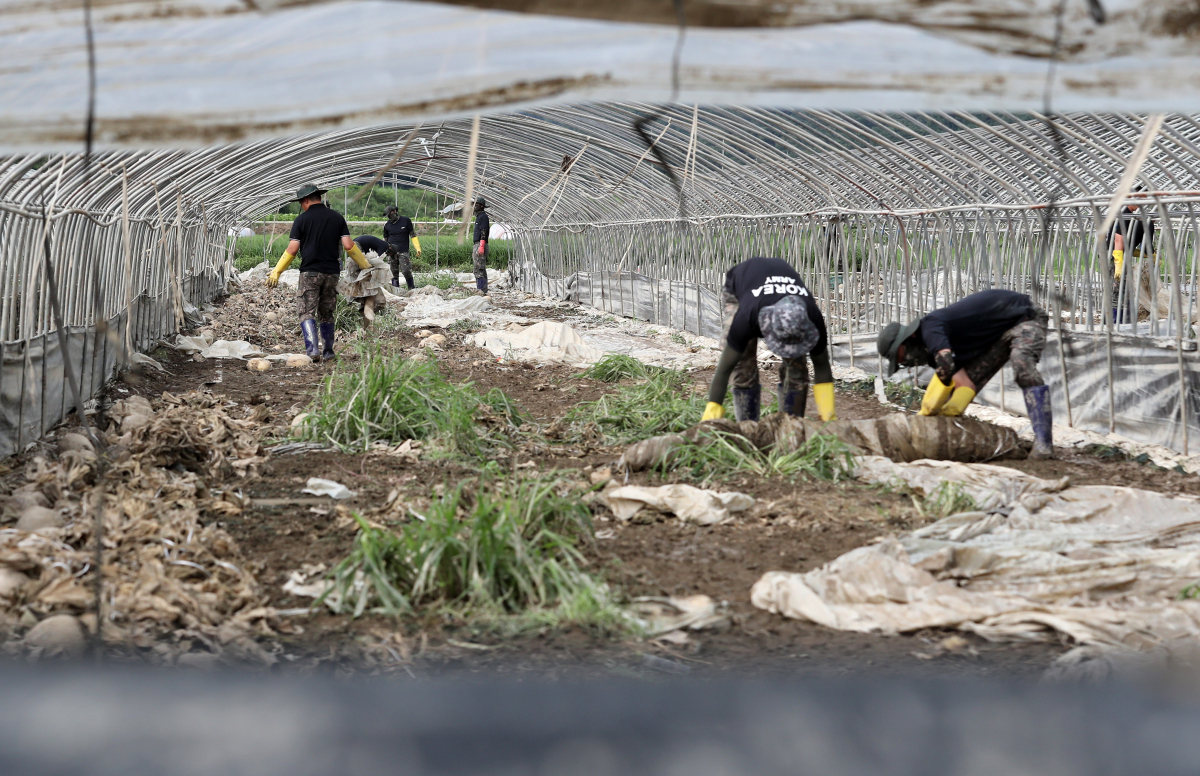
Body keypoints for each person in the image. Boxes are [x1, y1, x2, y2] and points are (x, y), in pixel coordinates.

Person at [876, 288, 1053, 459]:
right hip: (998, 335)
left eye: (900, 357)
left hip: (1024, 318)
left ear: (908, 340)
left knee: (1022, 364)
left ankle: (1044, 442)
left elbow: (945, 367)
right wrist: (948, 413)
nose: (904, 363)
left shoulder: (930, 327)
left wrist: (928, 409)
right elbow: (966, 384)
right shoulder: (933, 355)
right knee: (962, 386)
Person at [700, 257, 837, 424]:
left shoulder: (811, 317)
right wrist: (710, 417)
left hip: (778, 289)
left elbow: (821, 365)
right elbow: (724, 369)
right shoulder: (746, 318)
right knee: (743, 365)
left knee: (796, 369)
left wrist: (828, 418)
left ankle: (790, 427)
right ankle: (748, 427)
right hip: (740, 288)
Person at [266, 184, 372, 361]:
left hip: (310, 273)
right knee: (327, 312)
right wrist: (365, 265)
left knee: (306, 311)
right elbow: (348, 246)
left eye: (301, 202)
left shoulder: (301, 220)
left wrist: (277, 271)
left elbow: (292, 250)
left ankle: (313, 351)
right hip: (332, 273)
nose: (301, 206)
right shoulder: (337, 218)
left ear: (306, 200)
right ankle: (329, 352)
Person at [1106, 195, 1154, 323]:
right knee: (1118, 290)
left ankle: (1121, 319)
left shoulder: (1129, 215)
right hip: (1115, 258)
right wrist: (1119, 264)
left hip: (1119, 256)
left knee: (1123, 290)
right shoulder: (1125, 215)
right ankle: (1115, 320)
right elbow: (1118, 240)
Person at [383, 205, 422, 290]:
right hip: (391, 252)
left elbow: (412, 235)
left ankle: (411, 288)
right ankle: (396, 290)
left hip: (403, 251)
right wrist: (385, 250)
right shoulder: (387, 225)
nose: (390, 217)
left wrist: (418, 248)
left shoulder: (406, 221)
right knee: (393, 273)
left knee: (406, 271)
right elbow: (385, 239)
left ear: (395, 211)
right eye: (388, 216)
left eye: (390, 214)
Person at [471, 197, 491, 295]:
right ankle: (483, 290)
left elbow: (484, 232)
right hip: (478, 244)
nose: (474, 206)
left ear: (481, 206)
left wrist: (481, 246)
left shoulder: (483, 217)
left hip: (480, 244)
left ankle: (481, 290)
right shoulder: (479, 217)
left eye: (476, 204)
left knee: (479, 268)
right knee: (480, 268)